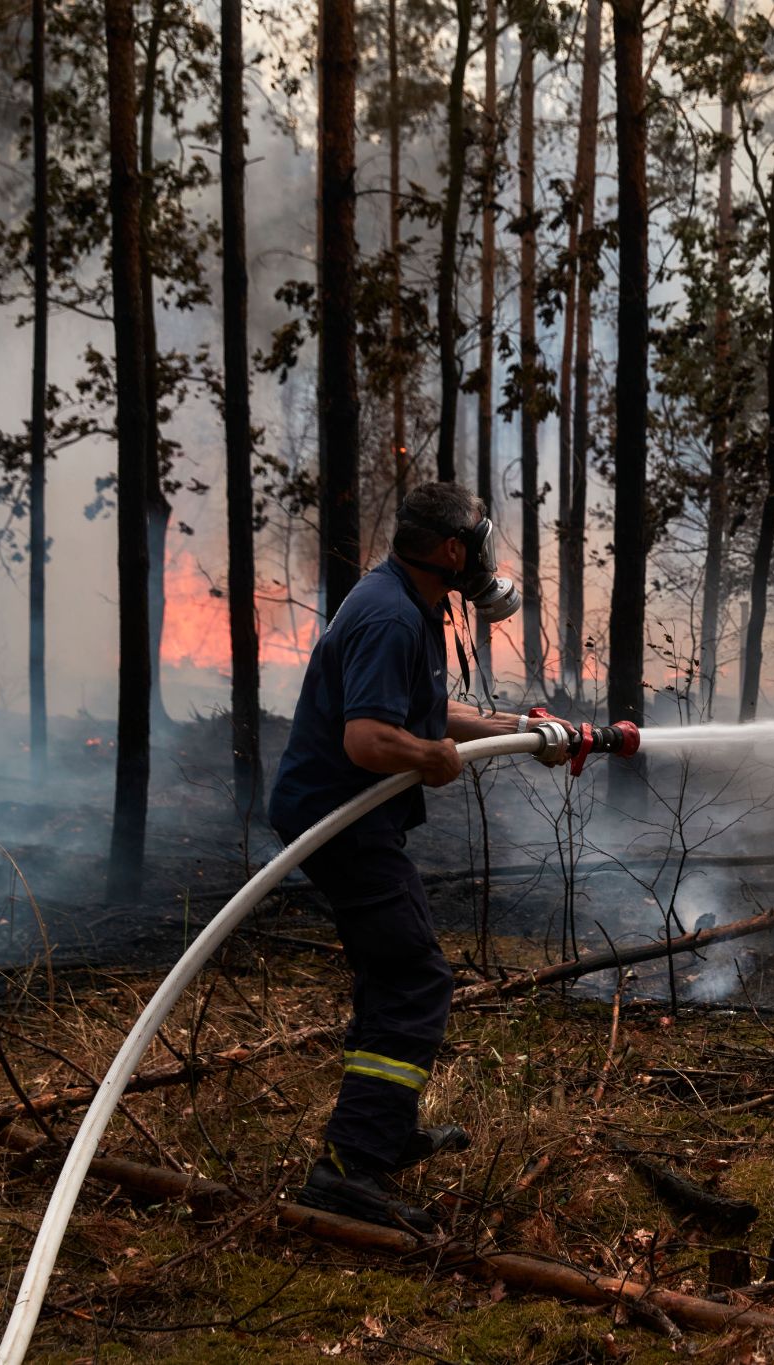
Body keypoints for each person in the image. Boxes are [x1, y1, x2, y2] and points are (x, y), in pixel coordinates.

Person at [269, 481, 580, 1232]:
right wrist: (431, 757)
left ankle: (380, 1129)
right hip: (340, 819)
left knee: (391, 969)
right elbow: (371, 739)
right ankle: (352, 1167)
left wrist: (519, 729)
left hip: (345, 814)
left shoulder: (403, 600)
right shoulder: (388, 616)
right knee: (414, 977)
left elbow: (426, 710)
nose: (484, 555)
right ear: (451, 550)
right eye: (477, 540)